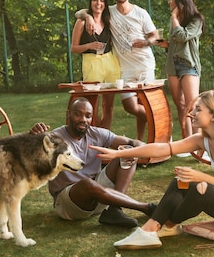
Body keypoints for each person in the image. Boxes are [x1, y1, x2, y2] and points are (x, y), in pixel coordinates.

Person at [92, 90, 214, 250]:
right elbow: (163, 148)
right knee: (181, 181)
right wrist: (117, 154)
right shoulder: (204, 139)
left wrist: (202, 176)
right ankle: (153, 228)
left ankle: (165, 225)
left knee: (201, 188)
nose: (192, 113)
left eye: (198, 109)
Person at [29, 97, 156, 228]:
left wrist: (138, 148)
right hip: (70, 203)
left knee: (128, 152)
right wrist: (33, 138)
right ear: (68, 115)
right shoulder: (54, 138)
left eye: (88, 116)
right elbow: (30, 158)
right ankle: (146, 208)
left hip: (98, 195)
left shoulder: (95, 133)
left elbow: (132, 143)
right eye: (78, 114)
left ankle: (114, 209)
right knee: (87, 183)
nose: (83, 119)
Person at [77, 0, 159, 140]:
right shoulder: (109, 12)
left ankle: (141, 141)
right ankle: (157, 120)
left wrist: (147, 42)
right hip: (124, 68)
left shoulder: (140, 12)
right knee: (130, 106)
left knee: (144, 106)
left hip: (144, 65)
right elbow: (80, 12)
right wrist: (88, 17)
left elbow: (156, 35)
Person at [158, 0, 204, 139]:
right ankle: (187, 141)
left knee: (193, 106)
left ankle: (199, 143)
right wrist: (167, 45)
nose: (169, 2)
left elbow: (184, 36)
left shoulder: (196, 20)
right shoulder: (177, 19)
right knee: (181, 105)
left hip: (188, 66)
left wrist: (173, 18)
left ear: (180, 1)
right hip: (173, 66)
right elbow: (178, 42)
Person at [71, 0, 120, 129]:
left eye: (101, 1)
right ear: (90, 3)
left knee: (108, 105)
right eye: (95, 0)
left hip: (110, 62)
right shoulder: (81, 22)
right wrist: (88, 46)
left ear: (105, 4)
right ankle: (94, 136)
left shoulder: (108, 20)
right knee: (91, 105)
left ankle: (105, 138)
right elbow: (73, 48)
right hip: (91, 62)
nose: (98, 3)